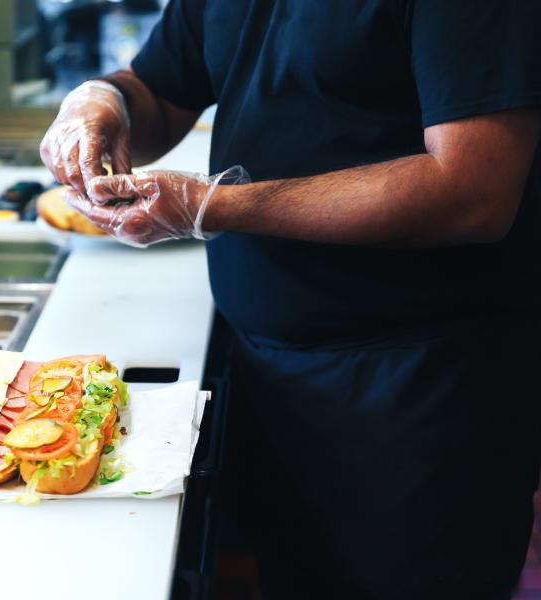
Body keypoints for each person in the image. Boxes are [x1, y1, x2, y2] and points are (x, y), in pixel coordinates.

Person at [39, 1, 541, 598]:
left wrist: (219, 205)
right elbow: (159, 89)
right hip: (271, 373)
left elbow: (472, 192)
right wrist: (103, 104)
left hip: (418, 392)